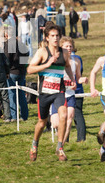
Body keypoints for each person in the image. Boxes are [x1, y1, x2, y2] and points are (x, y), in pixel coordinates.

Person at [27, 23, 76, 162]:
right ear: (47, 38)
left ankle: (60, 148)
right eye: (52, 36)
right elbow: (30, 69)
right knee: (42, 123)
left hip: (59, 91)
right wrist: (47, 64)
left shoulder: (64, 53)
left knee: (64, 115)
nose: (55, 38)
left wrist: (72, 80)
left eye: (57, 36)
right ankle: (35, 144)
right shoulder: (42, 52)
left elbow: (67, 67)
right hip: (44, 93)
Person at [50, 37, 88, 145]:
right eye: (66, 46)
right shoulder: (56, 60)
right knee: (56, 123)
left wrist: (83, 79)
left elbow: (78, 78)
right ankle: (60, 137)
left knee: (69, 118)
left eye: (70, 46)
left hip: (70, 94)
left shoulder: (76, 61)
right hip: (58, 94)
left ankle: (61, 144)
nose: (69, 48)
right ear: (61, 47)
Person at [4, 26, 29, 122]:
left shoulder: (8, 44)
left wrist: (7, 71)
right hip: (21, 72)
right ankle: (24, 116)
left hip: (12, 72)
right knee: (22, 94)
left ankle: (14, 116)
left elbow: (6, 59)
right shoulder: (22, 44)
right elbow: (26, 56)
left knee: (12, 94)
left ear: (6, 35)